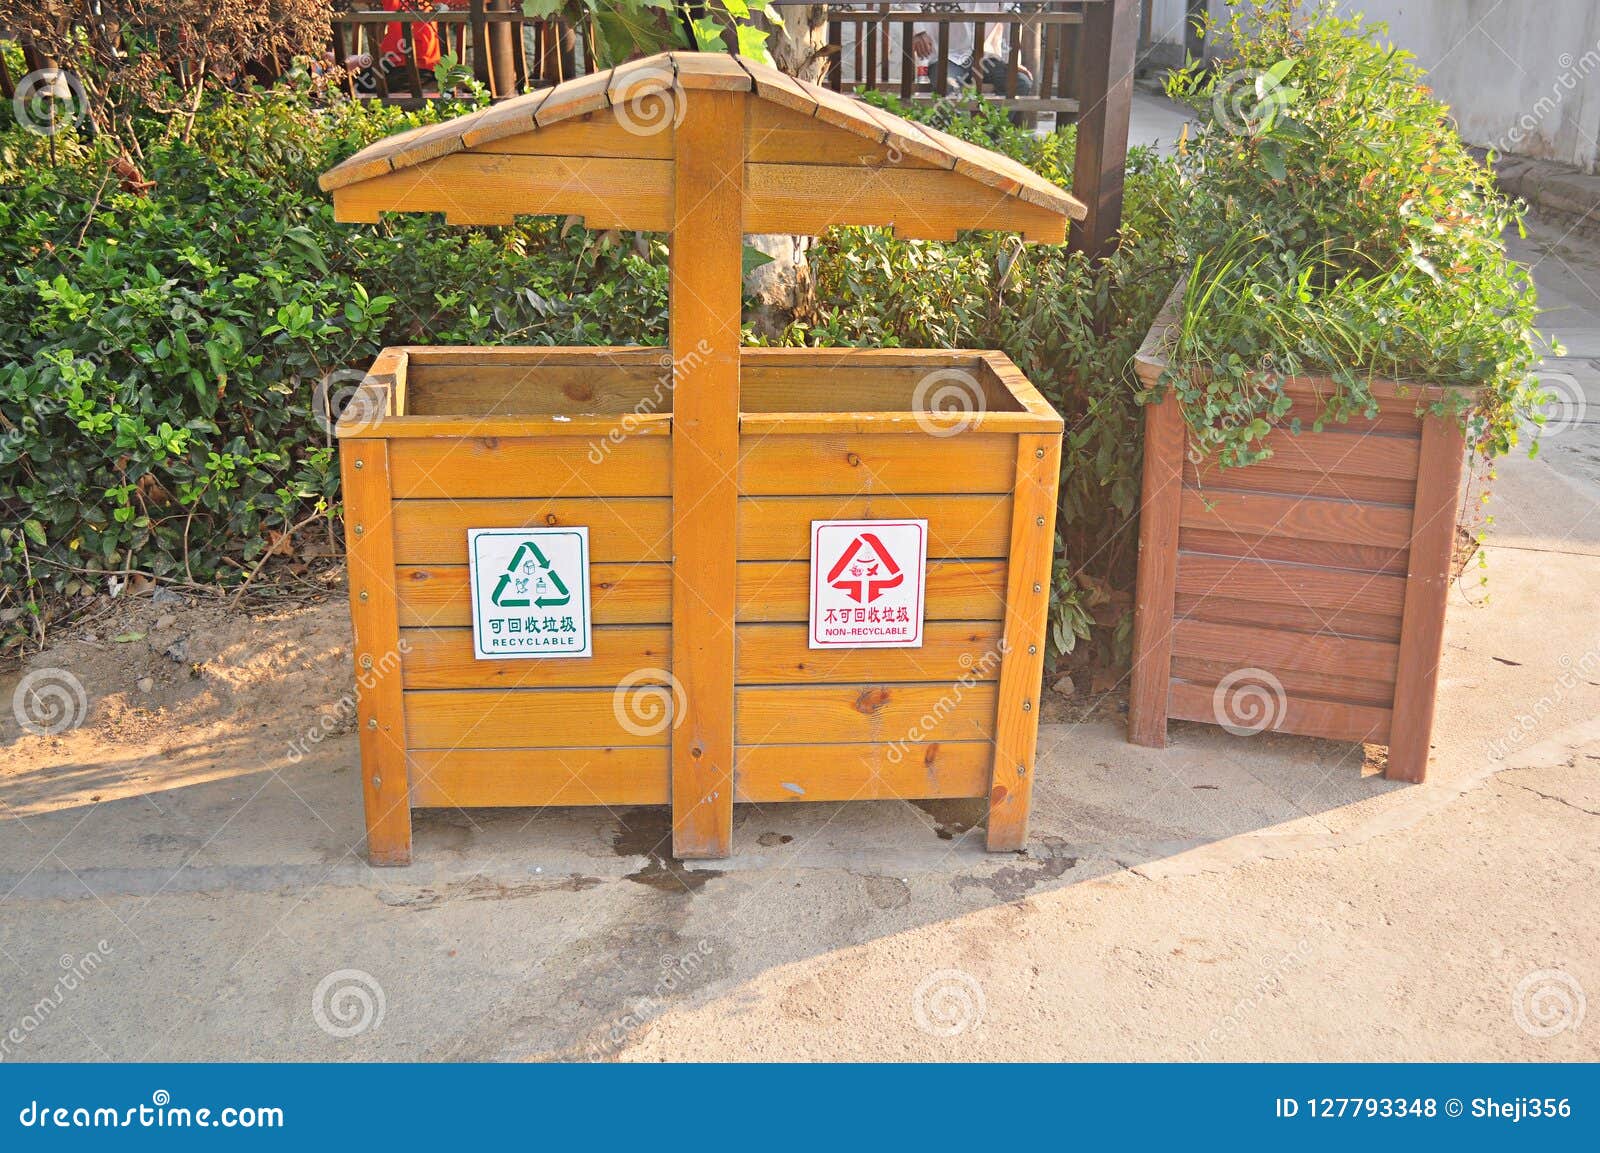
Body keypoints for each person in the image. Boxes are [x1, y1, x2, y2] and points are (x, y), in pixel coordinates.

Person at [912, 3, 1033, 112]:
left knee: (1020, 82)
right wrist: (918, 31)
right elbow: (908, 4)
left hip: (984, 57)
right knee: (948, 85)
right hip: (946, 56)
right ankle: (957, 129)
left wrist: (1013, 61)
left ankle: (990, 129)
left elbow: (1011, 18)